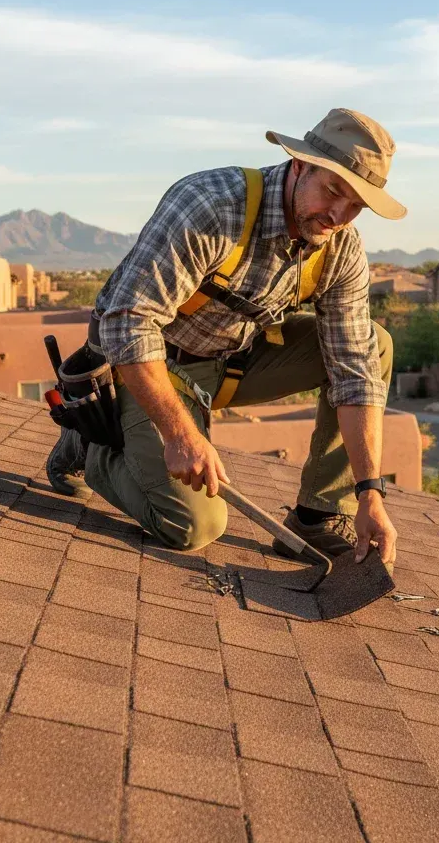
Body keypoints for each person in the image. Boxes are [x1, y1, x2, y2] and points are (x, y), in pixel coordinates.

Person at [47, 107, 405, 568]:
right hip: (150, 363)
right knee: (193, 526)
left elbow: (354, 370)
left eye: (357, 205)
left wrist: (369, 494)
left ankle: (318, 515)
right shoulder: (211, 206)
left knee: (373, 346)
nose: (339, 214)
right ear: (300, 165)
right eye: (333, 191)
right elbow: (127, 322)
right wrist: (179, 434)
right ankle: (92, 445)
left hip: (231, 361)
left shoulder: (341, 246)